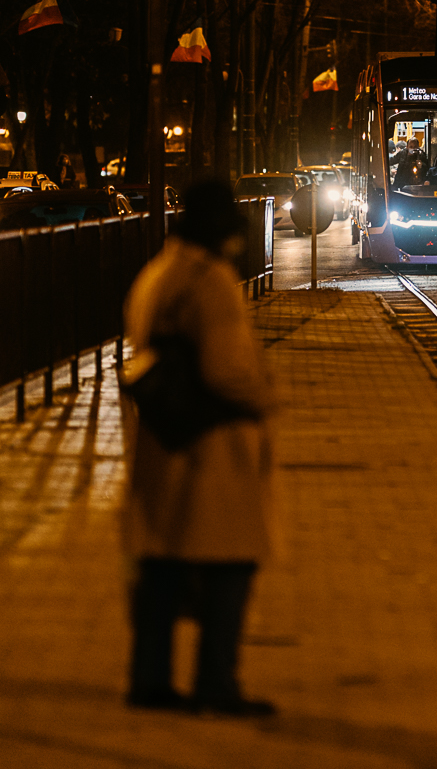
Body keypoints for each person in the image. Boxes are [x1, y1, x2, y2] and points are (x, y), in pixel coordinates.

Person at [121, 176, 277, 717]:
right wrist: (265, 397)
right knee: (231, 564)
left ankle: (150, 679)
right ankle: (216, 682)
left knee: (161, 565)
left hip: (164, 437)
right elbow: (228, 369)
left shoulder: (157, 273)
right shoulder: (209, 280)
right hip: (213, 443)